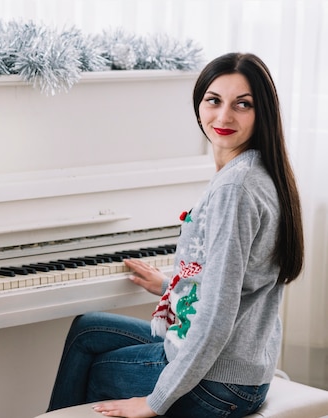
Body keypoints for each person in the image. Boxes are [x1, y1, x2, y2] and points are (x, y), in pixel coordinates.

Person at [45, 52, 304, 418]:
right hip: (242, 368)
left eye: (242, 105)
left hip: (219, 383)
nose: (223, 116)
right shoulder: (258, 169)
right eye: (214, 100)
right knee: (88, 329)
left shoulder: (236, 188)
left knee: (97, 367)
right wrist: (173, 285)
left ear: (262, 111)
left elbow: (216, 315)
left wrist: (155, 401)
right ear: (199, 104)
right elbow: (233, 279)